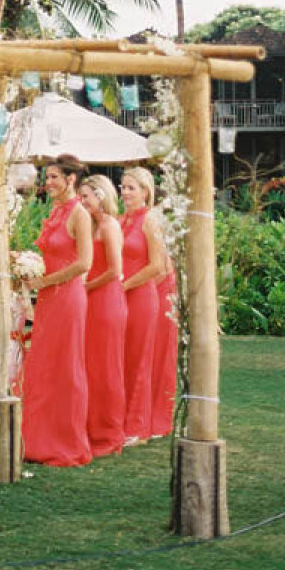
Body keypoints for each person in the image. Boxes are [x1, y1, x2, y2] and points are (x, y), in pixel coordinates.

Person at [21, 155, 93, 467]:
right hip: (49, 297)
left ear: (70, 179)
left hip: (67, 298)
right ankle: (36, 438)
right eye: (47, 177)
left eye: (54, 177)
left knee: (65, 367)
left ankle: (65, 441)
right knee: (42, 365)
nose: (48, 182)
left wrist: (45, 281)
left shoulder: (79, 214)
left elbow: (84, 263)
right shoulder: (55, 211)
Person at [80, 173, 127, 457]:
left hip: (106, 300)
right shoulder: (91, 225)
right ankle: (91, 427)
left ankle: (110, 433)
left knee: (107, 368)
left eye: (86, 196)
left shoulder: (109, 226)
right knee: (92, 367)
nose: (82, 201)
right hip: (91, 300)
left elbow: (115, 270)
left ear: (101, 196)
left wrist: (86, 287)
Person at [120, 166, 166, 445]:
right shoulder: (121, 220)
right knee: (121, 358)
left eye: (131, 188)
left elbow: (158, 266)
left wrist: (125, 285)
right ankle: (119, 419)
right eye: (123, 187)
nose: (125, 192)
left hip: (140, 298)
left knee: (138, 360)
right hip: (119, 297)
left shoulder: (150, 221)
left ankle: (137, 427)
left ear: (145, 192)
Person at [151, 217, 178, 439]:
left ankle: (158, 416)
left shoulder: (156, 231)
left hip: (161, 296)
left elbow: (162, 270)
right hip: (151, 291)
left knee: (160, 354)